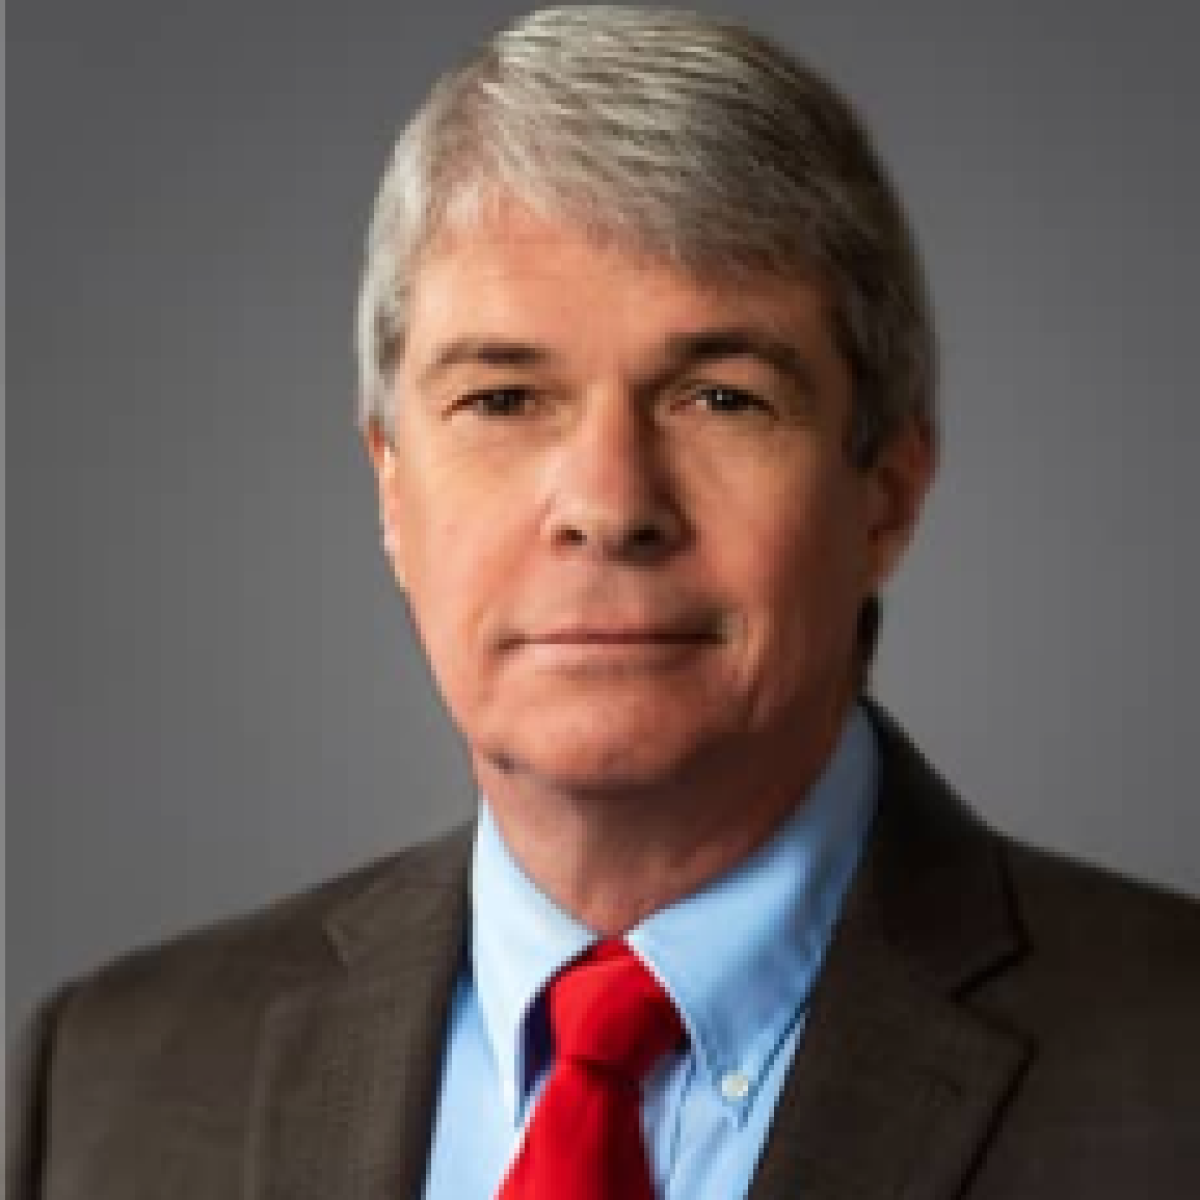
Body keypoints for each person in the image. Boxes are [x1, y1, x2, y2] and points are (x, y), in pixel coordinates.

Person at [4, 7, 1198, 1198]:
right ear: (390, 488)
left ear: (886, 490)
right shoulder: (110, 1086)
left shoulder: (1169, 1067)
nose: (610, 505)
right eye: (505, 399)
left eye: (722, 398)